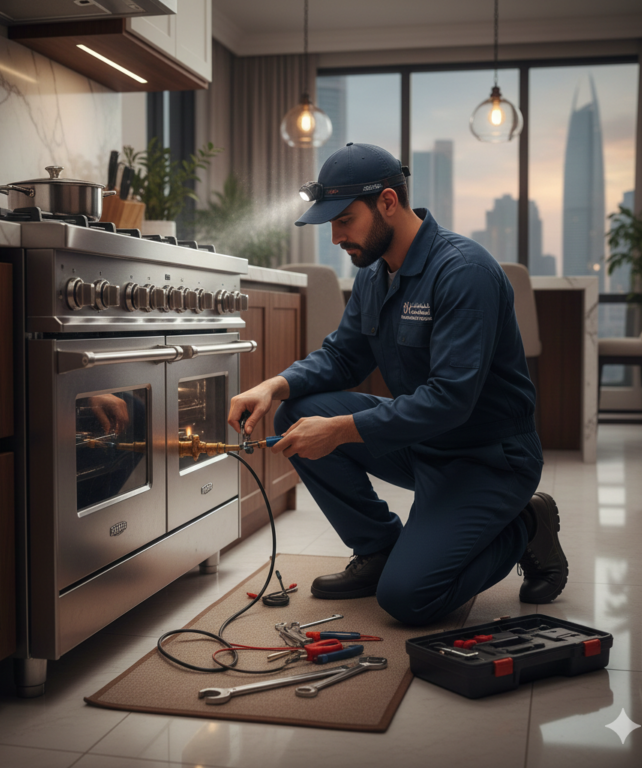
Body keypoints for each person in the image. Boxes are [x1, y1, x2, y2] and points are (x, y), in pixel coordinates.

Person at [228, 142, 568, 626]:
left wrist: (343, 429)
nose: (335, 237)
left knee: (409, 600)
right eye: (330, 224)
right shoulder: (375, 273)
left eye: (344, 220)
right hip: (423, 443)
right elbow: (343, 356)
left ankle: (527, 524)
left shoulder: (463, 273)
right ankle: (379, 550)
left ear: (388, 201)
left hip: (487, 458)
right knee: (296, 411)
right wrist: (273, 386)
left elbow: (450, 399)